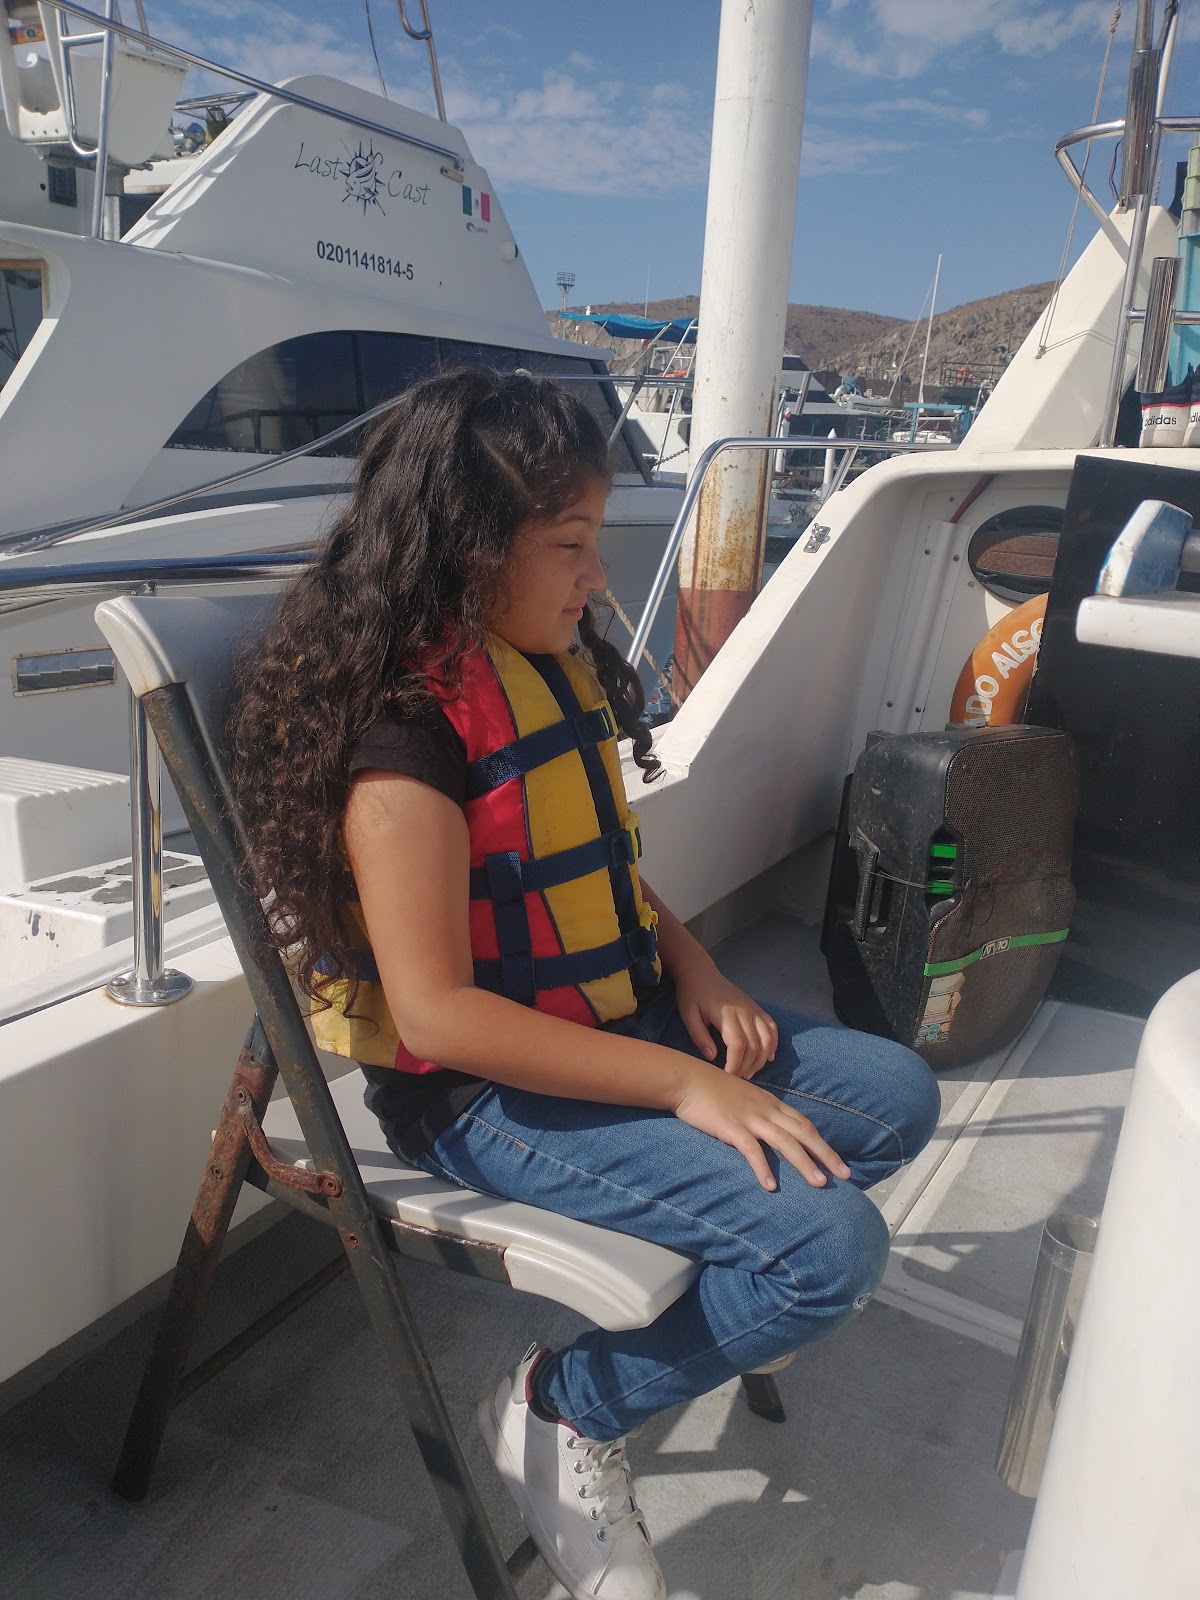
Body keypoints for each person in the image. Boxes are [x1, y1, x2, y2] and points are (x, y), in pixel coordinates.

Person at [228, 369, 940, 1600]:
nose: (597, 576)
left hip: (620, 1015)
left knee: (897, 1096)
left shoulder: (533, 665)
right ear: (467, 548)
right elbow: (440, 1013)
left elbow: (583, 866)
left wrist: (696, 966)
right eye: (569, 544)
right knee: (829, 1254)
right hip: (480, 1093)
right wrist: (685, 1087)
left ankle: (721, 1277)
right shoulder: (406, 740)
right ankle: (562, 1406)